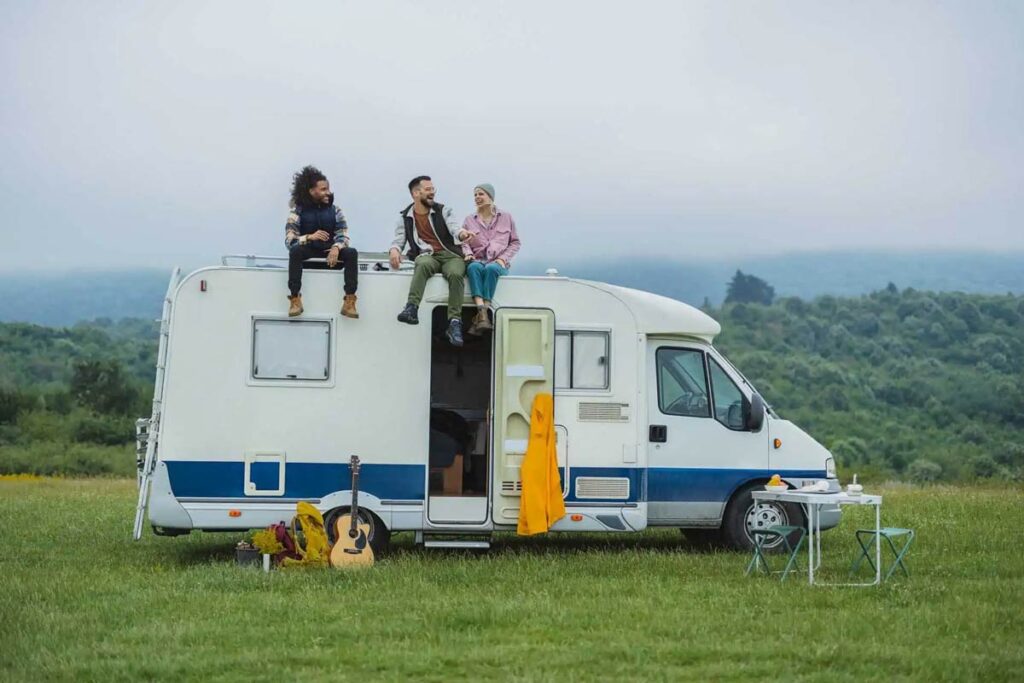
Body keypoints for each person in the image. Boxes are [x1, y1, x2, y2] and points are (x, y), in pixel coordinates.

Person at [389, 175, 470, 347]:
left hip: (450, 255)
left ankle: (454, 322)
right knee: (423, 263)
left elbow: (455, 228)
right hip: (428, 255)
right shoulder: (405, 217)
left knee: (456, 274)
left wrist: (463, 234)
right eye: (428, 189)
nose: (432, 192)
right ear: (416, 193)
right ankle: (411, 308)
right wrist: (394, 250)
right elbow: (399, 240)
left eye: (433, 189)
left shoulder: (443, 210)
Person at [284, 165, 359, 318]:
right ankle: (295, 298)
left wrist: (336, 248)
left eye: (328, 189)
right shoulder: (297, 211)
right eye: (324, 189)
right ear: (312, 191)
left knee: (351, 253)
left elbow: (343, 235)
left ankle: (349, 301)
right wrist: (309, 237)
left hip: (330, 253)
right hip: (309, 252)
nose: (328, 192)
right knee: (295, 251)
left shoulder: (335, 210)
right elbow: (289, 241)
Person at [461, 183, 521, 335]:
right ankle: (483, 314)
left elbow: (515, 243)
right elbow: (464, 242)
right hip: (477, 260)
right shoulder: (469, 220)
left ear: (490, 196)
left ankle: (482, 315)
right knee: (473, 268)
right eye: (475, 195)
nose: (477, 197)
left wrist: (503, 259)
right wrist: (468, 253)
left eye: (481, 194)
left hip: (498, 262)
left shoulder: (506, 217)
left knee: (492, 268)